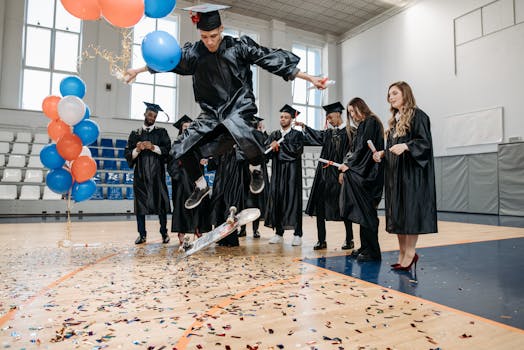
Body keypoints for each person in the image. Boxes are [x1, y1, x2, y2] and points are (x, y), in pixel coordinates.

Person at [124, 4, 326, 210]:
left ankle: (255, 168)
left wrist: (309, 77)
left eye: (213, 35)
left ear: (221, 29)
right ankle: (201, 186)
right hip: (211, 114)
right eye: (204, 37)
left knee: (244, 132)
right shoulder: (195, 53)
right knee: (180, 147)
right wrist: (138, 71)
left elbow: (269, 58)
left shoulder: (238, 47)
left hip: (238, 107)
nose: (209, 42)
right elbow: (169, 60)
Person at [373, 82, 437, 270]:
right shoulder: (395, 121)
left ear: (405, 95)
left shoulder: (418, 116)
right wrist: (382, 153)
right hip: (395, 175)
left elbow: (424, 143)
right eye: (389, 94)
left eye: (394, 93)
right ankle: (402, 252)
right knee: (398, 214)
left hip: (411, 175)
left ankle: (410, 253)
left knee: (409, 214)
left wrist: (407, 146)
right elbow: (393, 146)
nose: (390, 97)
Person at [295, 102, 355, 251]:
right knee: (320, 207)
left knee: (344, 206)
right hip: (325, 174)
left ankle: (349, 239)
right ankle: (321, 240)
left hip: (340, 174)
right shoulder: (328, 133)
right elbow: (317, 135)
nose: (328, 119)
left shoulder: (350, 132)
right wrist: (304, 127)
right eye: (327, 117)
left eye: (330, 116)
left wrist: (345, 170)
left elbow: (353, 152)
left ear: (339, 114)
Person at [339, 98, 384, 262]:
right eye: (349, 112)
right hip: (363, 173)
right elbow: (356, 149)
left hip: (370, 175)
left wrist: (348, 165)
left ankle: (373, 251)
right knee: (363, 212)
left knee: (368, 213)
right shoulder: (364, 125)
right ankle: (365, 246)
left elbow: (361, 150)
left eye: (353, 111)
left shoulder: (370, 122)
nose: (352, 115)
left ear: (361, 108)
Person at [124, 102, 172, 244]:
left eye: (155, 116)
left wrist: (153, 147)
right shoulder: (135, 134)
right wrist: (137, 149)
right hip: (140, 176)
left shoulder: (161, 132)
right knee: (140, 206)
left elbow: (167, 150)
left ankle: (164, 233)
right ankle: (142, 234)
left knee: (161, 205)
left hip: (157, 175)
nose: (152, 117)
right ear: (145, 114)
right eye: (150, 114)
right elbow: (127, 154)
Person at [168, 115, 211, 245]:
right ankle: (181, 231)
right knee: (182, 206)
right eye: (184, 127)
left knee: (199, 204)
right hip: (182, 180)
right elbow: (171, 163)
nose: (186, 129)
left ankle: (198, 229)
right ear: (181, 130)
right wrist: (178, 173)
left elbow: (204, 158)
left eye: (189, 127)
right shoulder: (176, 144)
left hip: (195, 180)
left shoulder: (197, 144)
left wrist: (205, 161)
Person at [265, 105, 304, 246]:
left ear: (292, 119)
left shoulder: (297, 135)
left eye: (286, 117)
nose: (283, 119)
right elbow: (267, 153)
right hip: (277, 173)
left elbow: (296, 152)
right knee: (278, 200)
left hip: (292, 174)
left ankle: (297, 234)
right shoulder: (274, 135)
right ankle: (278, 233)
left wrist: (280, 146)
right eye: (281, 116)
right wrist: (271, 146)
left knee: (293, 201)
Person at [240, 116, 270, 239]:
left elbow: (267, 156)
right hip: (245, 173)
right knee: (243, 202)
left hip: (257, 175)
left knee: (255, 203)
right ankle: (242, 229)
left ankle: (255, 230)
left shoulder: (262, 137)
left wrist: (263, 133)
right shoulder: (244, 138)